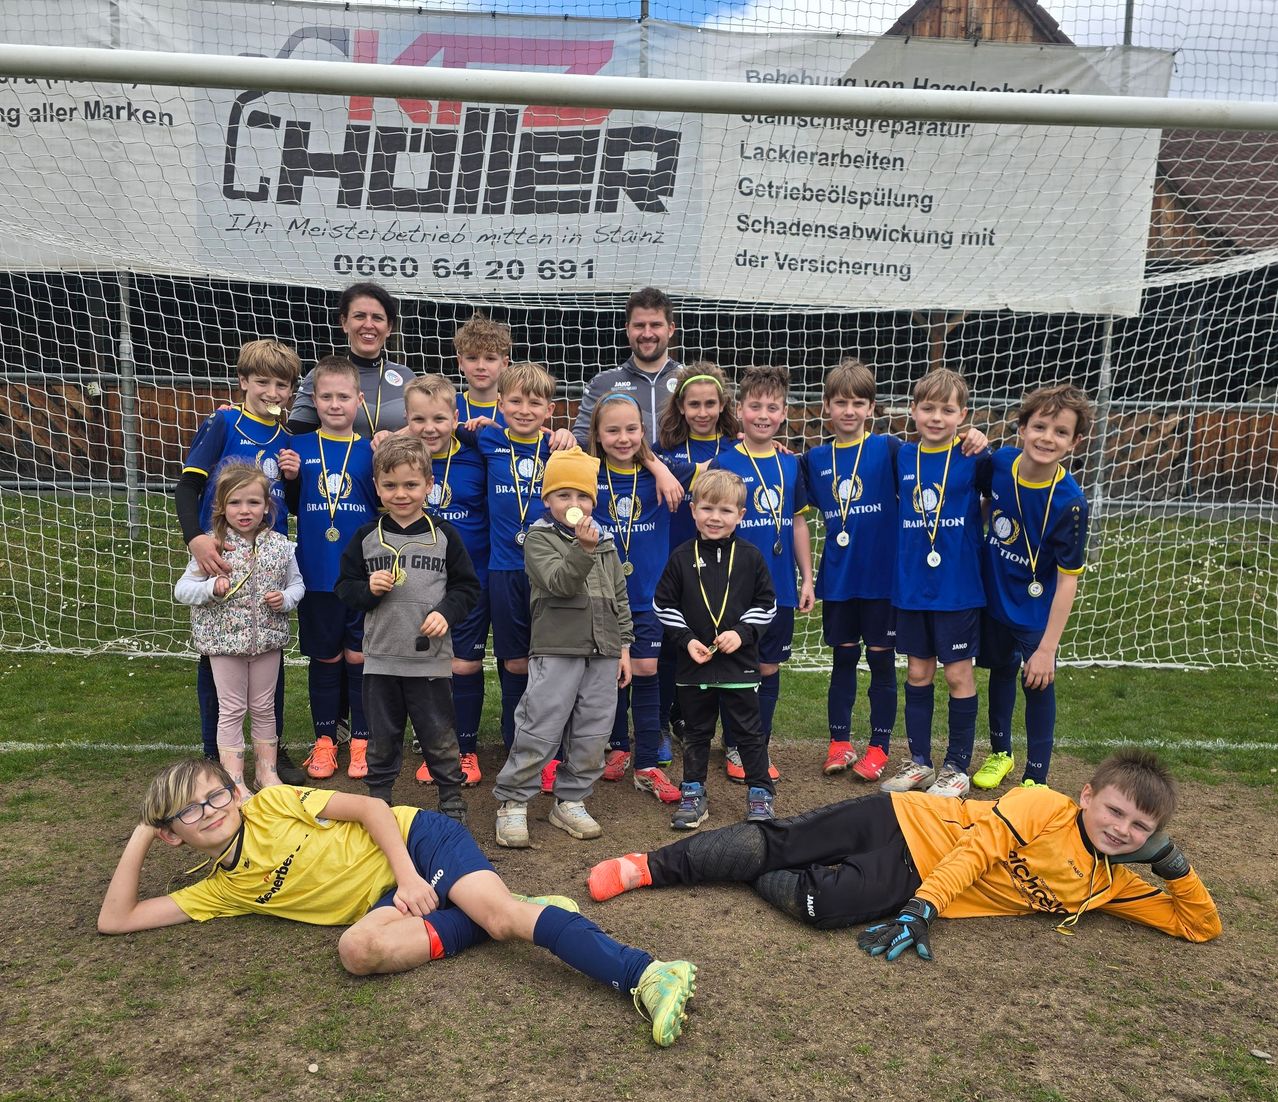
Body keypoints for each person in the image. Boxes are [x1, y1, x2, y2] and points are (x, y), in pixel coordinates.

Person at [98, 758, 698, 1047]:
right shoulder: (219, 888)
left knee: (499, 914)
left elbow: (369, 807)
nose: (216, 810)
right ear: (173, 834)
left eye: (217, 795)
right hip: (391, 897)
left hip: (416, 842)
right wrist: (142, 831)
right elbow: (116, 920)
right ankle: (506, 912)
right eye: (193, 812)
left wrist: (409, 876)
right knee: (357, 949)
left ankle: (644, 972)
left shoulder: (269, 804)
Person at [586, 749, 1222, 960]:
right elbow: (976, 855)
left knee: (821, 905)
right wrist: (923, 911)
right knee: (783, 839)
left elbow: (1200, 926)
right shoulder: (1039, 805)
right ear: (1087, 796)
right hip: (905, 818)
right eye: (1114, 810)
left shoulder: (1109, 885)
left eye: (1141, 828)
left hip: (914, 875)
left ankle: (748, 869)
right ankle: (648, 867)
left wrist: (1174, 867)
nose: (1122, 829)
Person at [802, 360, 989, 782]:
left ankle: (930, 759)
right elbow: (794, 497)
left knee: (938, 671)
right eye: (840, 402)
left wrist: (978, 437)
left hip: (921, 587)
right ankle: (896, 757)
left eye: (858, 403)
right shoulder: (882, 456)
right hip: (875, 586)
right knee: (882, 666)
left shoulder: (912, 452)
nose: (849, 411)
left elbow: (996, 490)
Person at [174, 338, 304, 780]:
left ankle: (273, 750)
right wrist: (196, 539)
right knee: (219, 651)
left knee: (269, 648)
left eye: (282, 384)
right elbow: (187, 486)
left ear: (291, 391)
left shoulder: (289, 440)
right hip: (223, 551)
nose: (272, 392)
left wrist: (295, 478)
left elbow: (295, 504)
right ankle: (215, 754)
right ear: (243, 381)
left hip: (268, 553)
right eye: (262, 381)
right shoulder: (223, 422)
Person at [492, 446, 633, 847]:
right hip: (557, 648)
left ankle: (571, 799)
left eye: (582, 496)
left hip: (603, 651)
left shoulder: (604, 540)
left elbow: (619, 597)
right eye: (564, 495)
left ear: (594, 500)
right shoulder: (539, 538)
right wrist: (582, 550)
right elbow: (558, 583)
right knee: (541, 725)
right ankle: (513, 802)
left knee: (593, 732)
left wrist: (623, 646)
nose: (574, 504)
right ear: (547, 499)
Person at [335, 436, 481, 819]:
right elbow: (345, 588)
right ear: (377, 486)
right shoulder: (367, 537)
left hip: (429, 661)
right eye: (391, 485)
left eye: (411, 485)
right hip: (381, 659)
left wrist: (447, 612)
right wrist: (367, 590)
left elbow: (467, 587)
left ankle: (450, 796)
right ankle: (379, 799)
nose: (401, 494)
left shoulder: (444, 535)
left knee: (438, 733)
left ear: (429, 485)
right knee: (382, 737)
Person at [972, 384, 1091, 790]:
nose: (1047, 438)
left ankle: (1035, 777)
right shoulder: (1001, 463)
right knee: (1001, 671)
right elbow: (983, 499)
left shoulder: (1070, 504)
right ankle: (1001, 754)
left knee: (1038, 679)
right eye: (1039, 426)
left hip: (1037, 609)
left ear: (1075, 442)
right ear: (1021, 428)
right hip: (993, 595)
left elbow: (1068, 580)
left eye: (1060, 432)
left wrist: (1047, 649)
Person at [883, 368, 992, 799]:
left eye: (947, 410)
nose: (936, 417)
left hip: (957, 588)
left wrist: (983, 438)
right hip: (911, 588)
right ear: (912, 410)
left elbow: (994, 496)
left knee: (959, 675)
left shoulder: (973, 458)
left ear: (962, 415)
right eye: (927, 407)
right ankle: (920, 763)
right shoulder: (901, 456)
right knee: (917, 672)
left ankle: (957, 767)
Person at [653, 469, 778, 829]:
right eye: (707, 508)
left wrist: (742, 632)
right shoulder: (680, 556)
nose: (714, 518)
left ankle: (760, 791)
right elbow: (663, 604)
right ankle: (693, 791)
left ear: (741, 515)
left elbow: (767, 604)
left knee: (749, 734)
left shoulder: (751, 557)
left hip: (739, 666)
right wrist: (687, 639)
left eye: (725, 511)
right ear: (693, 511)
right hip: (696, 666)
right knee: (696, 732)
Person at [587, 392, 696, 804]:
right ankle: (617, 747)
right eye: (612, 429)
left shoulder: (665, 473)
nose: (622, 437)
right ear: (596, 433)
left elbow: (722, 460)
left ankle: (647, 762)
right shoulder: (586, 471)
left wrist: (658, 466)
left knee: (647, 668)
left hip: (649, 596)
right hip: (601, 595)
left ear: (643, 432)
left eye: (632, 429)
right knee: (611, 671)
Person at [708, 365, 814, 783]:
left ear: (785, 412)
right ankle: (735, 742)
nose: (764, 414)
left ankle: (758, 741)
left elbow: (800, 523)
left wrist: (807, 578)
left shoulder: (791, 465)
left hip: (780, 588)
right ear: (740, 410)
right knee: (736, 667)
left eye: (773, 407)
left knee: (769, 668)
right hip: (736, 589)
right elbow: (712, 523)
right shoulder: (726, 461)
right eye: (755, 406)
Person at [174, 462, 304, 797]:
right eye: (235, 503)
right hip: (223, 646)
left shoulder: (281, 546)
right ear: (221, 506)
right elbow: (182, 590)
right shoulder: (211, 547)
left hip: (268, 643)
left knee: (264, 707)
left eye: (253, 503)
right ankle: (234, 781)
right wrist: (209, 589)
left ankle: (267, 774)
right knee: (231, 709)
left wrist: (286, 599)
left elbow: (298, 584)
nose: (244, 511)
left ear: (267, 506)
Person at [279, 356, 378, 781]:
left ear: (359, 399)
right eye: (326, 397)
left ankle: (362, 739)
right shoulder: (296, 448)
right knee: (325, 657)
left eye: (343, 396)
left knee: (360, 656)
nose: (335, 405)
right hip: (317, 573)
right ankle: (324, 740)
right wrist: (292, 479)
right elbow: (282, 496)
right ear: (313, 400)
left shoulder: (374, 450)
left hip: (363, 574)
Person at [400, 375, 490, 787]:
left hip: (470, 581)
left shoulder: (478, 452)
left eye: (439, 418)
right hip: (418, 583)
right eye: (418, 419)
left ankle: (466, 750)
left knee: (465, 663)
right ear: (407, 420)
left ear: (457, 417)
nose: (429, 428)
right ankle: (437, 745)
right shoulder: (400, 459)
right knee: (428, 665)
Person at [655, 362, 742, 754]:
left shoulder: (736, 448)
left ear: (723, 405)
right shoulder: (663, 450)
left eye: (710, 403)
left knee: (714, 643)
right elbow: (642, 456)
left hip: (721, 564)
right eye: (694, 404)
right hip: (675, 558)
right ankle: (661, 722)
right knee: (672, 643)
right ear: (681, 405)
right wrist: (672, 468)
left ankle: (716, 729)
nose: (703, 412)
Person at [288, 282, 418, 436]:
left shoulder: (407, 377)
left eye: (377, 318)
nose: (368, 325)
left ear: (389, 327)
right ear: (344, 323)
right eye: (359, 316)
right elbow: (295, 437)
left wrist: (393, 439)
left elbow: (427, 428)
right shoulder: (322, 374)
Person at [572, 286, 683, 449]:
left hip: (680, 474)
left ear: (671, 329)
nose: (647, 334)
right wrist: (565, 436)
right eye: (639, 325)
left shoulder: (689, 380)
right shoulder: (603, 383)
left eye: (655, 325)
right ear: (627, 329)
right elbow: (581, 442)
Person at [453, 313, 510, 428]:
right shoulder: (448, 405)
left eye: (490, 358)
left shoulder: (517, 410)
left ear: (504, 364)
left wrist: (556, 436)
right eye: (472, 358)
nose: (480, 366)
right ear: (460, 362)